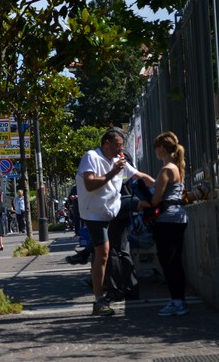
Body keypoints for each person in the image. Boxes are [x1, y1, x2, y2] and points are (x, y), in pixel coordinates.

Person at [76, 127, 154, 316]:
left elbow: (140, 176)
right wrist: (112, 172)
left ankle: (118, 289)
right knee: (103, 254)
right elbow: (90, 184)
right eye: (118, 145)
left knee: (113, 252)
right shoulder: (92, 157)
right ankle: (98, 301)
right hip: (93, 212)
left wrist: (165, 187)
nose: (121, 150)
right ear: (106, 143)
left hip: (113, 211)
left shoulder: (119, 161)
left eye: (122, 146)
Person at [138, 131, 190, 316]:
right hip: (179, 217)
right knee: (175, 261)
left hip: (167, 219)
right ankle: (180, 300)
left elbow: (155, 199)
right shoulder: (177, 167)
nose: (155, 152)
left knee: (167, 262)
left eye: (156, 148)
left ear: (161, 148)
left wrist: (139, 204)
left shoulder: (166, 169)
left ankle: (177, 301)